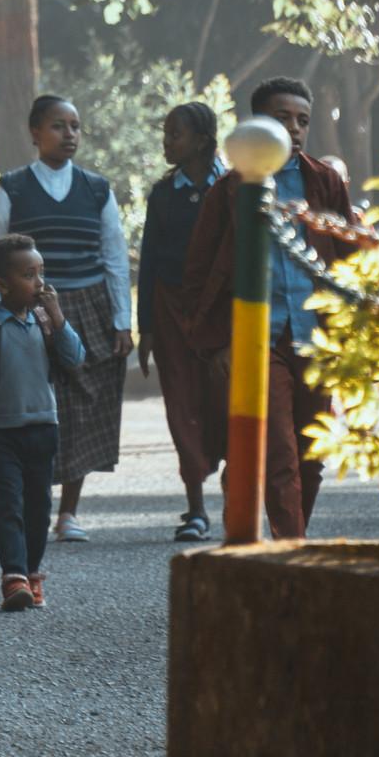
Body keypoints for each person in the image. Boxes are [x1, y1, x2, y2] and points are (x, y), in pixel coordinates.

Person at [184, 76, 353, 540]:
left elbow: (351, 259)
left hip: (317, 336)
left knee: (312, 456)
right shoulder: (230, 189)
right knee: (279, 454)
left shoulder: (326, 182)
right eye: (282, 118)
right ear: (256, 124)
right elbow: (199, 270)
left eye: (302, 120)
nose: (294, 129)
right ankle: (292, 559)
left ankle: (287, 542)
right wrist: (217, 342)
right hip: (260, 339)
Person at [0, 94, 132, 542]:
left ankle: (69, 513)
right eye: (59, 126)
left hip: (86, 306)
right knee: (32, 411)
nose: (70, 135)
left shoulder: (97, 189)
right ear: (35, 133)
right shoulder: (14, 186)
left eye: (76, 126)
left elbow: (115, 257)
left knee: (80, 409)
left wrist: (122, 320)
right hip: (25, 309)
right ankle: (25, 505)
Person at [0, 234, 85, 609]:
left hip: (44, 427)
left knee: (38, 507)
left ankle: (33, 573)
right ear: (1, 284)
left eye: (41, 273)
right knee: (9, 505)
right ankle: (13, 576)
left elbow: (75, 357)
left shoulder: (47, 323)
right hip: (1, 432)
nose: (40, 283)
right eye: (29, 275)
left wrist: (59, 316)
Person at [136, 102, 226, 542]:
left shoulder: (234, 187)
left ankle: (242, 502)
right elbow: (149, 260)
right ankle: (196, 510)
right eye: (166, 133)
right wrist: (146, 328)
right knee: (182, 406)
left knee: (225, 403)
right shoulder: (163, 193)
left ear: (203, 141)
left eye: (176, 134)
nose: (167, 142)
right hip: (172, 311)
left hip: (223, 314)